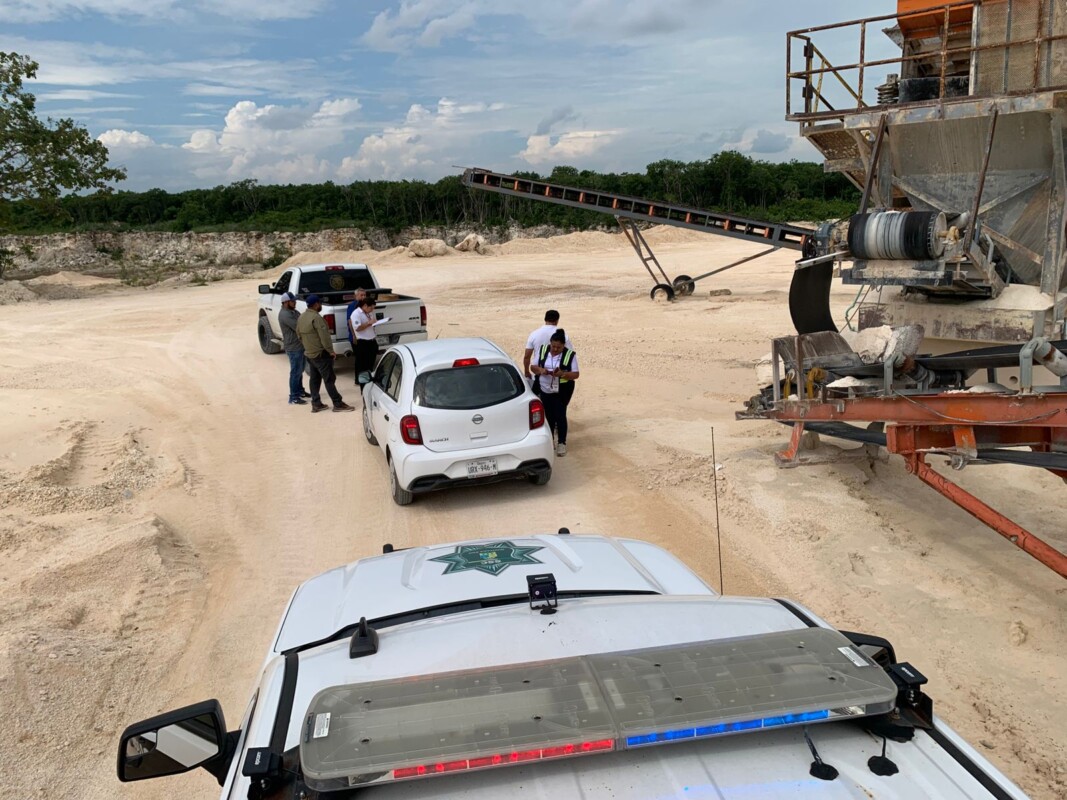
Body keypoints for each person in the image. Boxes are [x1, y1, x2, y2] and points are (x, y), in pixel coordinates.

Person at [296, 294, 355, 413]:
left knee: (314, 379)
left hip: (310, 353)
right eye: (320, 303)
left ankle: (316, 403)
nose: (321, 305)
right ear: (316, 304)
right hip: (321, 354)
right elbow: (325, 337)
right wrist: (330, 351)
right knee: (329, 379)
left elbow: (298, 335)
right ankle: (337, 403)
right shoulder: (317, 318)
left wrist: (308, 347)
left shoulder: (301, 317)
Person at [530, 329, 579, 456]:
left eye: (559, 347)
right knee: (549, 416)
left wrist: (562, 373)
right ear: (550, 343)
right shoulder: (542, 350)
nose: (555, 349)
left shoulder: (570, 355)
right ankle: (550, 441)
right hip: (545, 389)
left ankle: (562, 443)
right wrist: (541, 370)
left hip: (562, 390)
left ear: (564, 346)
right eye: (553, 346)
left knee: (560, 415)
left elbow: (576, 374)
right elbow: (533, 367)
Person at [278, 292, 311, 405]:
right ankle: (293, 397)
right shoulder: (285, 315)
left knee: (299, 370)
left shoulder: (293, 311)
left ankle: (300, 391)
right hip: (293, 347)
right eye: (293, 301)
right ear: (286, 302)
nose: (295, 302)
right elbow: (299, 326)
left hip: (299, 345)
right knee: (295, 372)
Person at [524, 310, 573, 384]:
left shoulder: (534, 334)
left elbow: (527, 356)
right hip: (558, 375)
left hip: (540, 373)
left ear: (545, 319)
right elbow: (570, 354)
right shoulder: (563, 336)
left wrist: (527, 372)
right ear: (557, 320)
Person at [350, 296, 379, 386]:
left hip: (372, 340)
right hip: (362, 342)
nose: (372, 310)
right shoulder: (356, 313)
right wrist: (368, 323)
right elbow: (357, 328)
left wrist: (374, 323)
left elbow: (371, 324)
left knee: (371, 361)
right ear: (365, 306)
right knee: (361, 363)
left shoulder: (369, 313)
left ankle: (369, 377)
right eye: (371, 308)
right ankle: (359, 380)